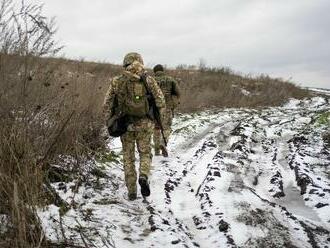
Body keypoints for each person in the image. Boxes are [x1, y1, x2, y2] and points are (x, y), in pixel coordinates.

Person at [103, 53, 165, 200]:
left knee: (128, 157)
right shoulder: (149, 80)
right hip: (145, 125)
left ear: (125, 64)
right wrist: (157, 120)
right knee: (145, 153)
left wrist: (110, 121)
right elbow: (161, 101)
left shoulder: (117, 81)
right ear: (140, 63)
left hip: (125, 125)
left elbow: (106, 105)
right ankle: (143, 175)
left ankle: (131, 191)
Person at [152, 64, 181, 157]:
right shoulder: (170, 79)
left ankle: (156, 150)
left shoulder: (151, 80)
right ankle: (163, 144)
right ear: (162, 70)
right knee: (167, 127)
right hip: (167, 107)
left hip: (154, 108)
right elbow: (178, 93)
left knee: (156, 128)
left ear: (154, 71)